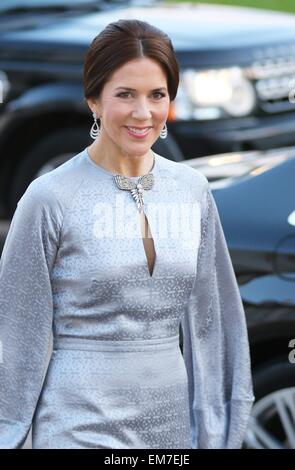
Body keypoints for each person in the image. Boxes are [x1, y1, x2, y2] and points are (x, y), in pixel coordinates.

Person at [0, 19, 255, 449]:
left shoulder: (192, 191)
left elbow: (215, 322)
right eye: (125, 95)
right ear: (93, 100)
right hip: (76, 424)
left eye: (157, 95)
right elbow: (16, 334)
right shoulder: (49, 198)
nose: (143, 113)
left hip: (170, 428)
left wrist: (216, 427)